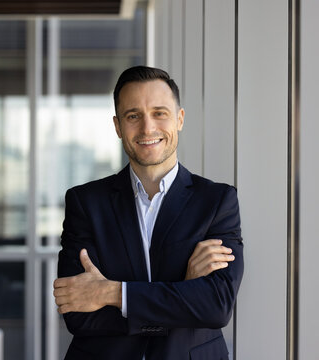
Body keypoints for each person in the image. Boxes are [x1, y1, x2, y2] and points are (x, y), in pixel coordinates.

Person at [53, 66, 243, 360]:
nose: (147, 128)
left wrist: (112, 294)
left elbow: (215, 306)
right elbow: (77, 312)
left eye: (159, 113)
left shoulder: (217, 202)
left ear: (179, 119)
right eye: (133, 116)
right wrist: (183, 290)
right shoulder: (85, 202)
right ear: (117, 126)